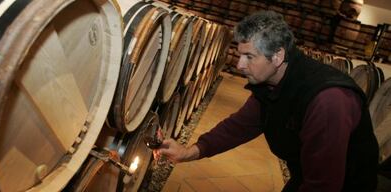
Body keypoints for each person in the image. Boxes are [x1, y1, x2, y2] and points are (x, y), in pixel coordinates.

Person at [154, 10, 379, 191]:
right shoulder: (275, 82)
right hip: (305, 175)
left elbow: (324, 184)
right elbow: (239, 126)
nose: (240, 65)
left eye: (249, 56)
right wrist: (189, 152)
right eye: (240, 54)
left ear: (278, 56)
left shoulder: (327, 101)